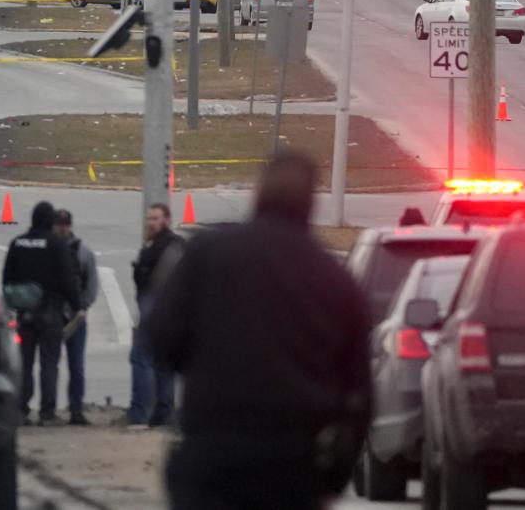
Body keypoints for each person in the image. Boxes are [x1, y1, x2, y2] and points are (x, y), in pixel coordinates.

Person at [141, 151, 372, 510]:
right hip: (293, 468)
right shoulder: (336, 279)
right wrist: (333, 480)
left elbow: (159, 339)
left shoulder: (207, 253)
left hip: (212, 458)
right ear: (312, 203)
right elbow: (359, 396)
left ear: (257, 194)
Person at [1, 200, 82, 426]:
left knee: (24, 363)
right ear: (50, 220)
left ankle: (21, 409)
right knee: (49, 362)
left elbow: (7, 279)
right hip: (50, 311)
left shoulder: (17, 243)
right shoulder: (57, 245)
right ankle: (47, 412)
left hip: (24, 313)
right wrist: (77, 305)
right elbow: (68, 280)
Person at [126, 202, 184, 428]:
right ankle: (162, 413)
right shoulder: (153, 246)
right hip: (158, 312)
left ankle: (140, 413)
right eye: (149, 218)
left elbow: (165, 283)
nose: (150, 223)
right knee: (163, 363)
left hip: (159, 313)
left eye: (155, 218)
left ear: (167, 220)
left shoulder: (171, 246)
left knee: (140, 357)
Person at [54, 208, 99, 426]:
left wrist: (83, 308)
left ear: (70, 226)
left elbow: (92, 284)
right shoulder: (49, 249)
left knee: (76, 367)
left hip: (75, 317)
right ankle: (49, 409)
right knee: (50, 366)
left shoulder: (83, 252)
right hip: (53, 316)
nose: (62, 228)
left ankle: (76, 409)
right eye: (59, 224)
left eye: (65, 224)